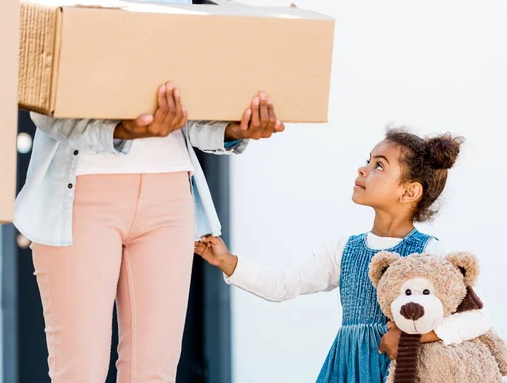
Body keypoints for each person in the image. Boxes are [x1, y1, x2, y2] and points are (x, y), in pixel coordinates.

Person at [15, 0, 284, 382]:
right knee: (79, 374)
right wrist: (124, 130)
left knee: (154, 374)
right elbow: (43, 101)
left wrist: (232, 129)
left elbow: (188, 110)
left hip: (169, 197)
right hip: (80, 198)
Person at [196, 128, 491, 382]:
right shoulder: (345, 251)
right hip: (346, 369)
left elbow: (477, 318)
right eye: (368, 161)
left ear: (409, 192)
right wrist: (228, 262)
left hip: (403, 371)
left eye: (379, 166)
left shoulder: (429, 254)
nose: (362, 170)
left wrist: (414, 339)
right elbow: (285, 284)